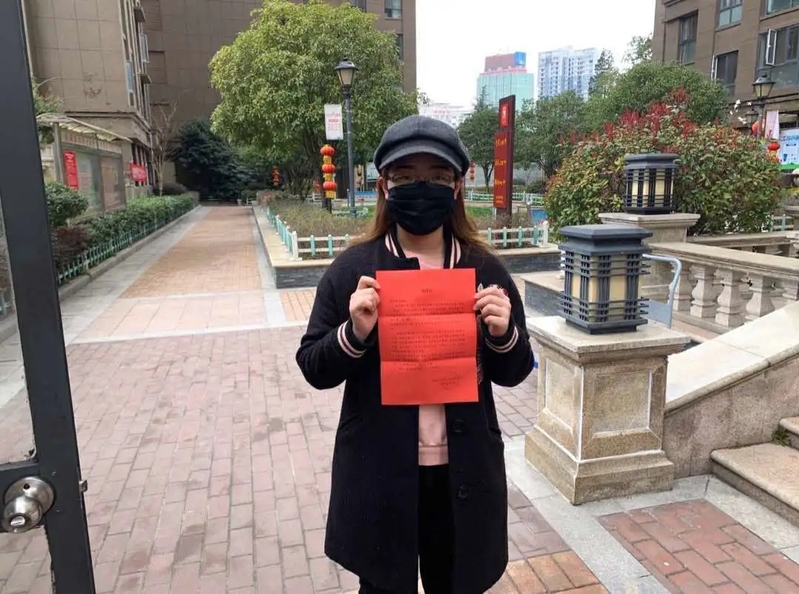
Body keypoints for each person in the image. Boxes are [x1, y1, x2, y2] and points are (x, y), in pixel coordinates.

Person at [295, 115, 535, 594]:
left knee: (458, 583)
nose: (421, 188)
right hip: (380, 473)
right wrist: (354, 332)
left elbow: (515, 370)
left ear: (458, 186)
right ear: (384, 185)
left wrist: (503, 332)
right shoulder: (354, 270)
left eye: (437, 176)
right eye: (405, 176)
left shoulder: (484, 269)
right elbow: (313, 366)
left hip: (463, 471)